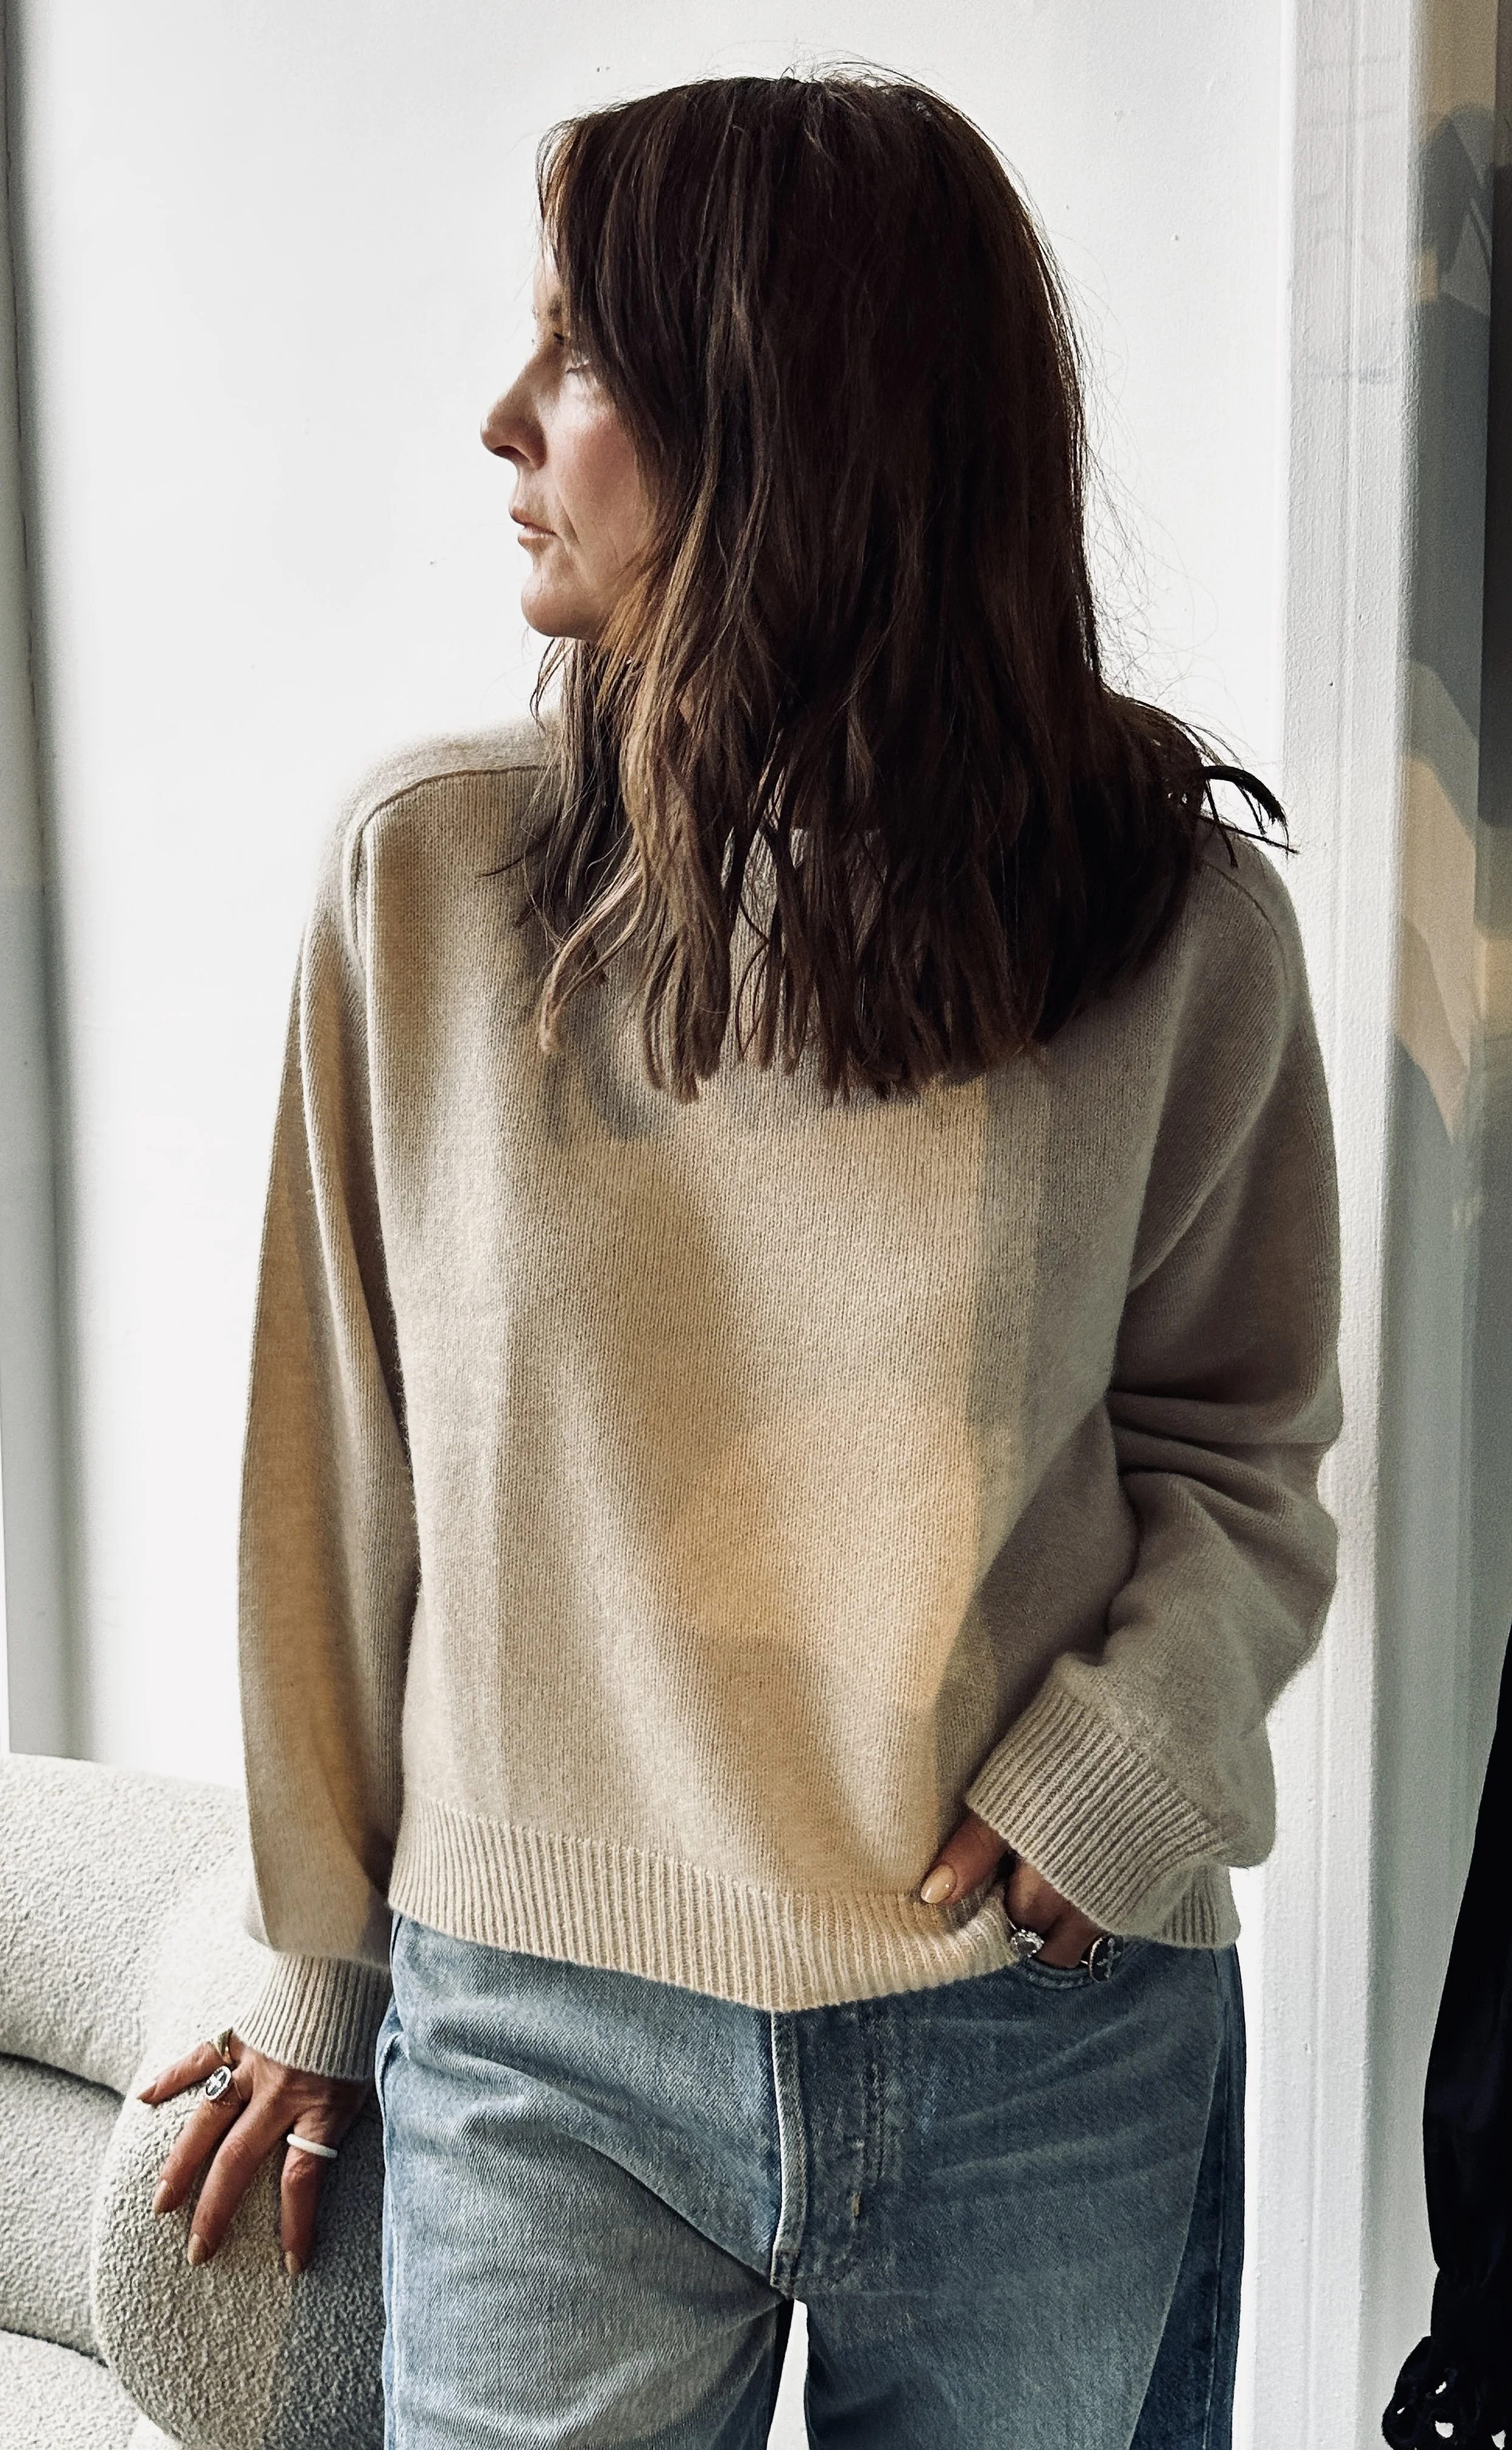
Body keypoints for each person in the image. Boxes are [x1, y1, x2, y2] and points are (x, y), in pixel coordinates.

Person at [138, 69, 1343, 2450]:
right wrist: (310, 1965)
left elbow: (1241, 1442)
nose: (502, 419)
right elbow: (332, 1472)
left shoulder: (1169, 920)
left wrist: (1122, 1766)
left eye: (577, 354)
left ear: (790, 409)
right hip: (539, 2041)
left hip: (1040, 2030)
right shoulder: (432, 882)